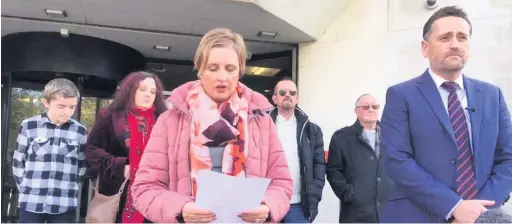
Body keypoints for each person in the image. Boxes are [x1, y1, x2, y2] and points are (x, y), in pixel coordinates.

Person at [131, 28, 293, 223]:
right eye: (213, 68)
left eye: (230, 68)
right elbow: (144, 188)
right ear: (200, 69)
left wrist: (267, 206)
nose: (222, 77)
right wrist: (181, 209)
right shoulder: (170, 120)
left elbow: (282, 184)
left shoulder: (260, 120)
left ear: (240, 70)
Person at [380, 6, 512, 223]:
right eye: (445, 37)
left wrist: (478, 211)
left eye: (462, 37)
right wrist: (453, 206)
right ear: (425, 48)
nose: (455, 44)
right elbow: (397, 160)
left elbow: (508, 158)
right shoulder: (401, 95)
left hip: (482, 216)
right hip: (418, 216)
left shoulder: (492, 95)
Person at [85, 71, 167, 223]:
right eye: (142, 89)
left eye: (152, 91)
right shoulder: (109, 117)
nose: (148, 95)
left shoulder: (163, 121)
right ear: (130, 91)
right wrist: (120, 166)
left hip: (153, 195)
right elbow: (91, 149)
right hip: (116, 194)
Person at [12, 78, 87, 223]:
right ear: (46, 103)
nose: (67, 112)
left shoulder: (80, 131)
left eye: (72, 107)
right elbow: (18, 162)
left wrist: (69, 188)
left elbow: (81, 165)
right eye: (61, 106)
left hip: (64, 205)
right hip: (31, 202)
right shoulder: (29, 126)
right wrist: (26, 188)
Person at [327, 94, 392, 223]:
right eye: (365, 107)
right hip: (356, 214)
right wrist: (350, 194)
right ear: (356, 111)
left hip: (390, 211)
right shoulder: (341, 138)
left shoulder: (393, 135)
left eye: (374, 106)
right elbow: (333, 171)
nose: (371, 109)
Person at [269, 77, 325, 223]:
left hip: (299, 205)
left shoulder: (312, 130)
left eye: (292, 93)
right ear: (274, 98)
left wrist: (315, 192)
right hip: (269, 204)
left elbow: (319, 165)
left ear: (297, 99)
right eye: (282, 92)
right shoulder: (262, 127)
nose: (288, 95)